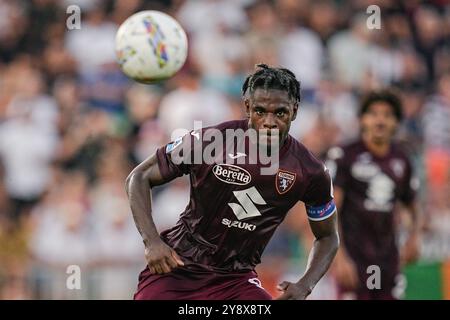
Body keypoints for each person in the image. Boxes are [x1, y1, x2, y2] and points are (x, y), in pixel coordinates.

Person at [125, 64, 339, 300]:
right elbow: (139, 177)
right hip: (179, 268)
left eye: (280, 113)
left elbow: (327, 236)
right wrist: (152, 241)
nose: (269, 122)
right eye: (260, 111)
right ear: (247, 107)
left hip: (236, 281)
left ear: (295, 111)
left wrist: (305, 285)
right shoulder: (211, 141)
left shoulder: (310, 170)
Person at [326, 90, 422, 300]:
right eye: (373, 113)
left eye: (387, 115)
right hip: (353, 258)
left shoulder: (402, 159)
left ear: (396, 122)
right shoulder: (344, 155)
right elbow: (329, 209)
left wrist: (414, 237)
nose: (380, 120)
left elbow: (411, 204)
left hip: (387, 259)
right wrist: (339, 256)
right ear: (362, 119)